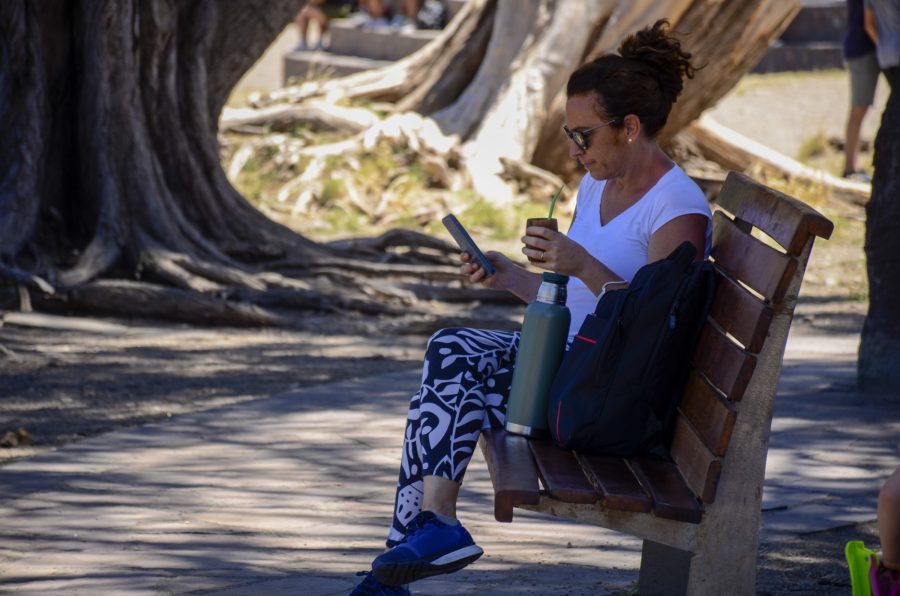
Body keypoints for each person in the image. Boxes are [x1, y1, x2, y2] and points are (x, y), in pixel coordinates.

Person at [349, 19, 713, 595]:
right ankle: (428, 530)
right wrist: (512, 277)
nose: (575, 150)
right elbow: (583, 299)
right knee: (450, 351)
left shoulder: (677, 213)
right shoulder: (598, 182)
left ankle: (411, 551)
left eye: (584, 135)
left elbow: (652, 335)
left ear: (630, 127)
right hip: (575, 365)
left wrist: (581, 264)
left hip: (606, 397)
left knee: (452, 378)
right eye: (570, 134)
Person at [843, 0, 879, 180]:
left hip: (864, 48)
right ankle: (850, 168)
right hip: (863, 49)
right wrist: (884, 46)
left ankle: (851, 166)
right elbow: (868, 23)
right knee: (858, 109)